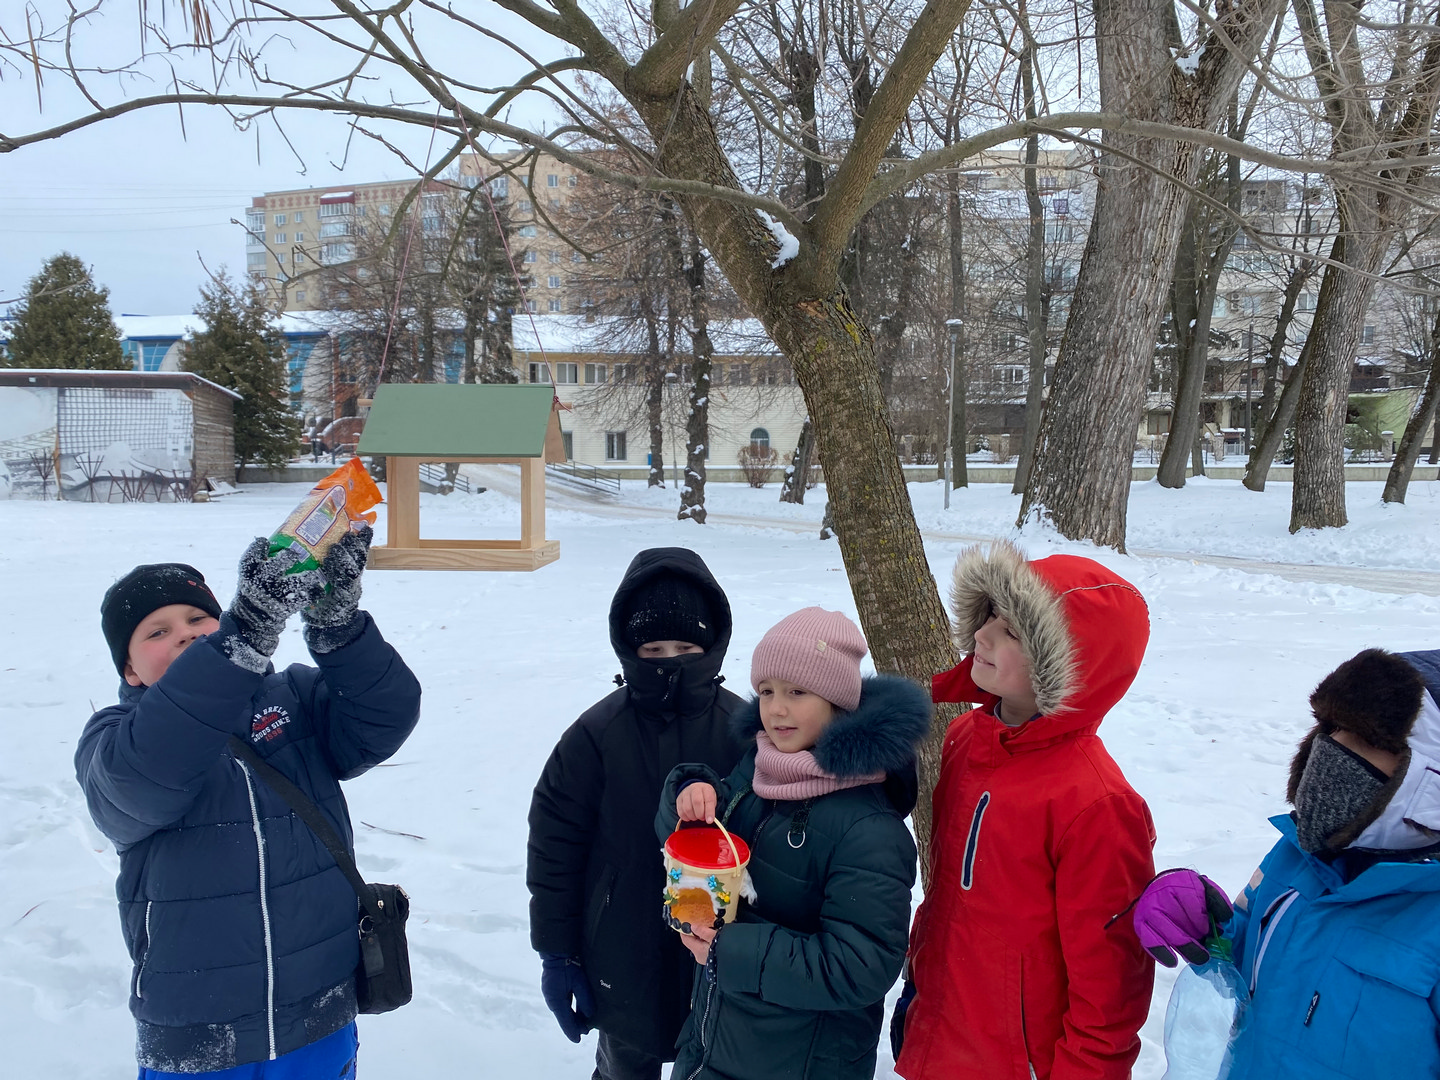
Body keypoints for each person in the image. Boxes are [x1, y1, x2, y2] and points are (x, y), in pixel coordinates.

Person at [76, 530, 421, 1078]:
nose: (185, 634)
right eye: (158, 631)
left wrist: (338, 630)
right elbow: (147, 778)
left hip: (321, 1012)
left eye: (198, 618)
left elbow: (382, 719)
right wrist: (239, 642)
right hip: (199, 1033)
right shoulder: (117, 740)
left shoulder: (293, 698)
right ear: (131, 670)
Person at [893, 540, 1157, 1080]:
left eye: (1013, 631)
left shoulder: (1097, 804)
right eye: (990, 615)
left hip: (1018, 1061)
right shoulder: (967, 737)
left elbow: (1110, 987)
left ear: (1070, 666)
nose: (983, 634)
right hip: (939, 1022)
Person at [1134, 647, 1440, 1080]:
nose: (1331, 748)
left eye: (1369, 740)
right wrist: (1204, 920)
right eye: (1332, 727)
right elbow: (1250, 953)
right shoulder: (1297, 854)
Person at [656, 607, 931, 1080]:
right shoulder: (760, 767)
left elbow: (860, 966)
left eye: (797, 692)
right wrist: (690, 797)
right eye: (767, 691)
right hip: (714, 1043)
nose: (776, 709)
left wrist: (731, 953)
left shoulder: (869, 829)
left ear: (837, 701)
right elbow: (706, 845)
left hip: (800, 1061)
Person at [526, 548, 747, 1080]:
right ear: (629, 647)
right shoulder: (595, 735)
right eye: (653, 648)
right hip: (621, 954)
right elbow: (555, 848)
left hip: (720, 955)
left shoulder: (745, 730)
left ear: (711, 645)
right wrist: (557, 952)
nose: (670, 661)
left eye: (686, 647)